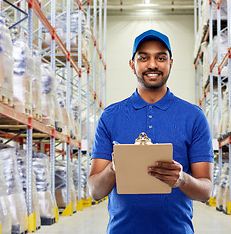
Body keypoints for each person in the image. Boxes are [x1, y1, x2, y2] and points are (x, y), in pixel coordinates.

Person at [88, 29, 213, 234]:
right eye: (143, 58)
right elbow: (95, 191)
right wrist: (113, 169)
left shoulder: (194, 117)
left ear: (171, 63)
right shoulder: (111, 117)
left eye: (161, 58)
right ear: (132, 64)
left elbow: (206, 191)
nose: (152, 65)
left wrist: (182, 179)